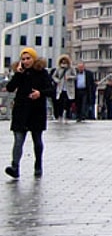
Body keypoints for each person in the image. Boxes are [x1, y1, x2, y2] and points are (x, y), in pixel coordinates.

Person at [5, 48, 55, 178]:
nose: (26, 61)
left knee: (37, 140)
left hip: (36, 111)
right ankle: (15, 166)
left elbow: (51, 89)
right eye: (23, 59)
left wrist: (40, 93)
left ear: (34, 59)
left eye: (28, 58)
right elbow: (10, 88)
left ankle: (38, 165)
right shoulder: (20, 73)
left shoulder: (42, 73)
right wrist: (17, 74)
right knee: (18, 140)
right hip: (21, 110)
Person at [51, 54, 76, 123]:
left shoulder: (71, 69)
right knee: (60, 103)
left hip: (69, 88)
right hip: (60, 88)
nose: (64, 63)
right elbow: (54, 76)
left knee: (68, 103)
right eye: (62, 62)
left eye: (65, 62)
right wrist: (57, 80)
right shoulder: (58, 69)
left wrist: (70, 77)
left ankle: (67, 116)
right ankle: (60, 116)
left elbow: (75, 76)